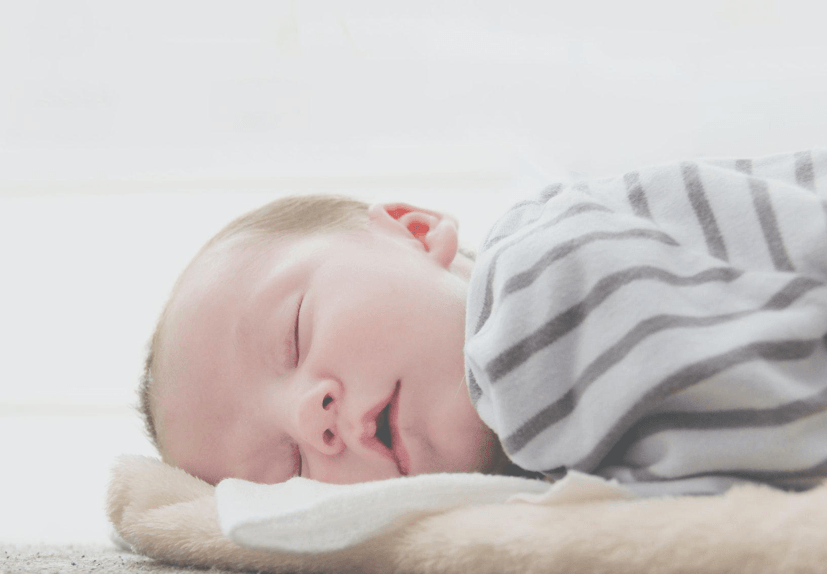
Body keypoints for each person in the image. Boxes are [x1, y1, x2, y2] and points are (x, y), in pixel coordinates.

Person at [140, 149, 827, 496]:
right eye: (288, 471)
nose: (308, 415)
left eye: (293, 332)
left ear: (413, 230)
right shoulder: (526, 456)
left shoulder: (526, 301)